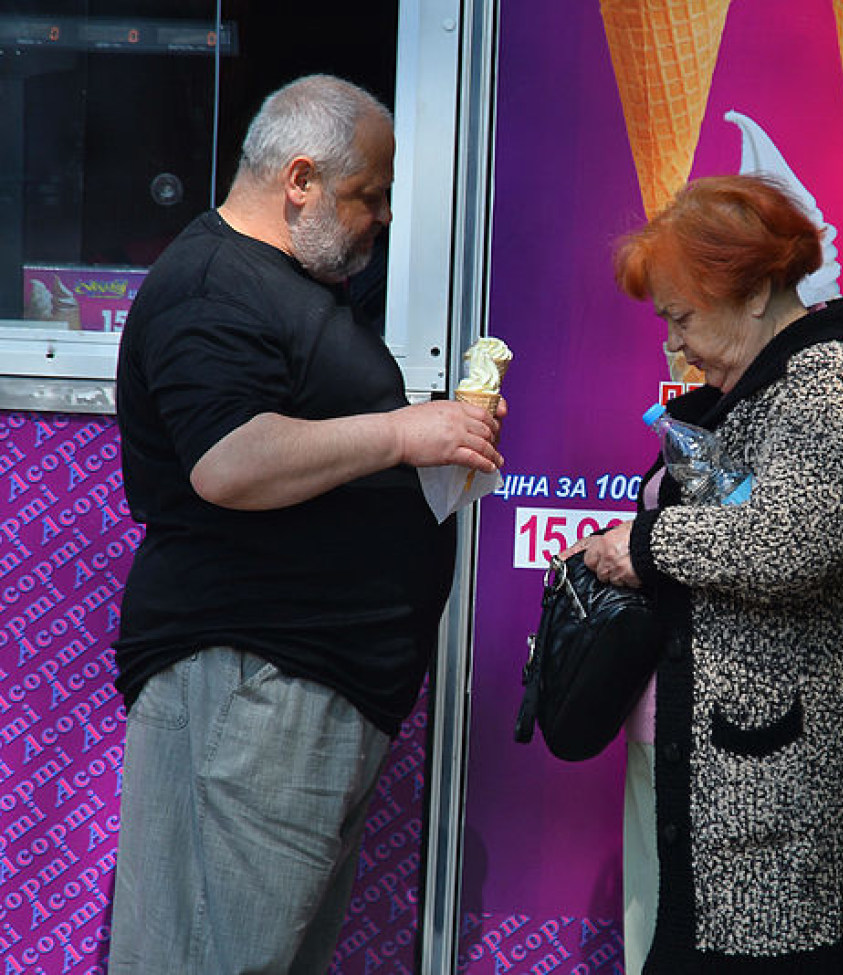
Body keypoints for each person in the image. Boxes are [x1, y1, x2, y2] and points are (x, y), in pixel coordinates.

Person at [108, 75, 505, 973]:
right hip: (254, 681)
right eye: (370, 195)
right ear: (299, 180)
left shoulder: (284, 286)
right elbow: (229, 460)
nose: (384, 219)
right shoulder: (215, 285)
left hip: (297, 686)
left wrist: (419, 451)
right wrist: (404, 430)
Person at [572, 174, 843, 973]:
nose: (675, 345)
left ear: (754, 293)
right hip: (703, 764)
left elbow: (795, 540)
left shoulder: (830, 382)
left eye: (682, 318)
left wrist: (645, 545)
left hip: (777, 786)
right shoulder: (749, 388)